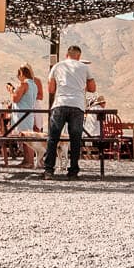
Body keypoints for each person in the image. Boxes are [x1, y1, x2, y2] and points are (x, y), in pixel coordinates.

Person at [45, 45, 96, 179]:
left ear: (66, 55)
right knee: (75, 139)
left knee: (53, 138)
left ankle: (49, 171)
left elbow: (50, 89)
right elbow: (92, 88)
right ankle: (73, 172)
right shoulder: (85, 68)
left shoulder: (57, 66)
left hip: (60, 104)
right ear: (79, 56)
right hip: (77, 105)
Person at [7, 64, 40, 168]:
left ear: (22, 74)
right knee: (26, 138)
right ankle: (26, 160)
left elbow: (15, 99)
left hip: (22, 114)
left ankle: (29, 161)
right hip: (28, 114)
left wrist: (11, 90)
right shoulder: (33, 85)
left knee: (26, 139)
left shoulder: (24, 84)